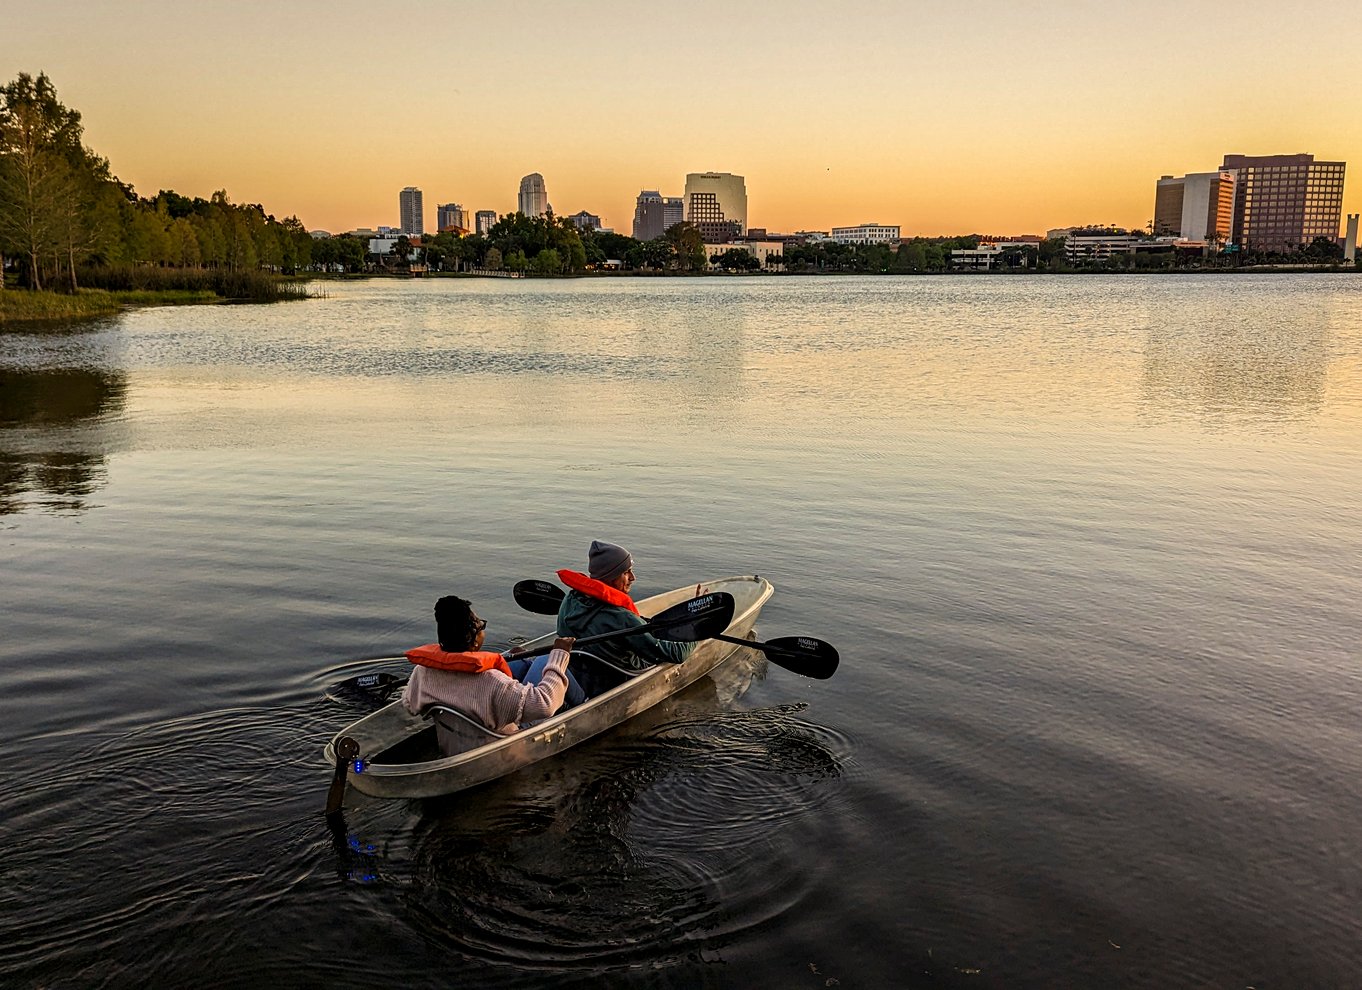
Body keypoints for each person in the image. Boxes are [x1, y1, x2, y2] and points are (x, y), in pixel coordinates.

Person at [402, 595, 585, 735]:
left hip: (457, 736)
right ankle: (585, 703)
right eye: (481, 625)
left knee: (521, 661)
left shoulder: (423, 671)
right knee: (545, 659)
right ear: (473, 638)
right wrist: (559, 654)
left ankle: (527, 663)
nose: (483, 628)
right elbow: (544, 705)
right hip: (506, 736)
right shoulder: (490, 682)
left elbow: (409, 704)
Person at [556, 540, 694, 693]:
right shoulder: (622, 619)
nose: (632, 577)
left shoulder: (569, 601)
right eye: (626, 572)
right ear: (611, 576)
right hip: (619, 679)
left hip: (580, 676)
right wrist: (697, 627)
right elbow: (678, 654)